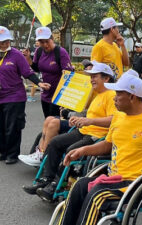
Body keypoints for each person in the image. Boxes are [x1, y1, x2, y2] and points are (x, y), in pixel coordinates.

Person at [57, 73, 142, 225]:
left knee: (97, 196)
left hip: (136, 182)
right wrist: (82, 150)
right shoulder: (118, 117)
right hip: (114, 178)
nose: (114, 97)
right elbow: (108, 144)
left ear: (132, 96)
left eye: (119, 93)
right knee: (78, 186)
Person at [22, 62, 117, 200]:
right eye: (91, 77)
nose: (91, 79)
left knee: (71, 150)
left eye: (94, 76)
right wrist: (78, 119)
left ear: (106, 78)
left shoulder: (111, 95)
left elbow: (114, 119)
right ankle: (46, 180)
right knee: (55, 142)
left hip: (97, 136)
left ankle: (56, 185)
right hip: (84, 131)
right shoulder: (98, 95)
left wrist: (89, 121)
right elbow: (92, 116)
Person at [19, 60, 94, 166]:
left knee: (53, 123)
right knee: (49, 119)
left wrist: (69, 114)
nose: (88, 72)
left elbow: (87, 114)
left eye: (91, 71)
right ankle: (40, 152)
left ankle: (44, 155)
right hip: (75, 118)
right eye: (86, 69)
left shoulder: (99, 93)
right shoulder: (87, 86)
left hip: (82, 123)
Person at [0, 26, 50, 164]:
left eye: (6, 41)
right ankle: (2, 151)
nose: (5, 44)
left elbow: (27, 73)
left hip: (14, 96)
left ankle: (12, 154)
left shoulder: (16, 55)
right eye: (2, 42)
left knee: (12, 126)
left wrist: (39, 83)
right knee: (1, 126)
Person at [23, 27, 73, 118]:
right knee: (47, 121)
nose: (45, 45)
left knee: (55, 124)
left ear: (52, 39)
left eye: (47, 41)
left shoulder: (61, 52)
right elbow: (37, 68)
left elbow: (68, 74)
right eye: (42, 42)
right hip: (45, 95)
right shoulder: (39, 51)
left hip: (58, 96)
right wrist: (28, 58)